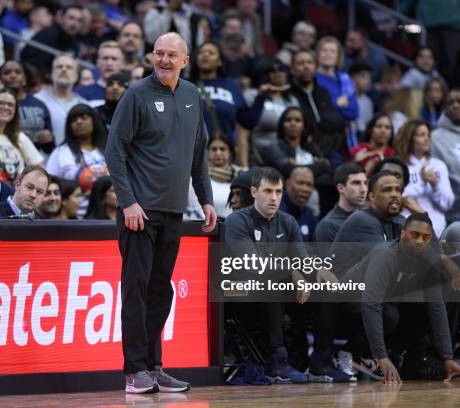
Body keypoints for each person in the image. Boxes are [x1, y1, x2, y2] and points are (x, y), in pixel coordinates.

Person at [105, 32, 215, 394]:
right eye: (159, 53)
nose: (164, 60)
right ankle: (134, 371)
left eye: (172, 55)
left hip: (173, 212)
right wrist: (127, 202)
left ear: (186, 61)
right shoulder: (137, 94)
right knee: (135, 290)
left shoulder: (191, 95)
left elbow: (198, 154)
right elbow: (115, 152)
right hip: (139, 212)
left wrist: (206, 200)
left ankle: (155, 366)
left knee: (160, 292)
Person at [340, 213, 460, 383]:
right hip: (343, 307)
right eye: (415, 235)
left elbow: (436, 307)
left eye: (426, 237)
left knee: (422, 314)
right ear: (403, 233)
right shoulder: (385, 254)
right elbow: (371, 304)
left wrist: (448, 357)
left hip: (377, 310)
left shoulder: (428, 260)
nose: (420, 241)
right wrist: (381, 356)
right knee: (389, 314)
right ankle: (352, 353)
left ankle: (382, 355)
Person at [224, 166, 310, 383]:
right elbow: (254, 267)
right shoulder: (237, 221)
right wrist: (291, 271)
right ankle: (276, 360)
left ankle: (321, 358)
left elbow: (303, 262)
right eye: (268, 191)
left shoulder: (288, 222)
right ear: (253, 192)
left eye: (278, 192)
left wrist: (305, 274)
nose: (274, 197)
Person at [188, 41, 250, 167]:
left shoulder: (231, 85)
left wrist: (243, 165)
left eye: (211, 53)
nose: (205, 55)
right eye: (201, 53)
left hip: (223, 155)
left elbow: (243, 127)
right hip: (190, 156)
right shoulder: (184, 85)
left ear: (220, 61)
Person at [46, 103, 108, 218]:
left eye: (84, 117)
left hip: (109, 218)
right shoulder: (60, 153)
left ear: (94, 121)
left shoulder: (109, 150)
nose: (79, 122)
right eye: (73, 120)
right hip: (75, 220)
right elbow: (49, 184)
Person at [288, 50, 347, 168]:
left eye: (310, 62)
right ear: (292, 69)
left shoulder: (323, 93)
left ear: (315, 67)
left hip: (331, 148)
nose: (306, 66)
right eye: (301, 63)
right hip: (303, 150)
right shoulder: (289, 95)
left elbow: (338, 121)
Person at [395, 120, 454, 237]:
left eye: (428, 135)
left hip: (438, 232)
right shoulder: (398, 165)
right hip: (408, 231)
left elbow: (447, 203)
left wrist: (435, 185)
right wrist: (421, 183)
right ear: (410, 138)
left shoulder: (438, 165)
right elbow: (399, 198)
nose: (427, 139)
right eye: (421, 135)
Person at [244, 58, 298, 167]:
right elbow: (244, 127)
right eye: (273, 71)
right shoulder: (252, 95)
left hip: (289, 154)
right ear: (264, 73)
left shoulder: (292, 100)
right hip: (260, 155)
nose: (279, 74)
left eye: (282, 70)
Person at [0, 88, 44, 185]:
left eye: (10, 105)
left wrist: (26, 180)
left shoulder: (20, 137)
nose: (5, 107)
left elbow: (40, 168)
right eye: (0, 103)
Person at [0, 60, 54, 155]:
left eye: (18, 72)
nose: (13, 75)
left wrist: (48, 138)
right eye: (7, 72)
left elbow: (50, 147)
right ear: (0, 80)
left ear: (25, 79)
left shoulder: (39, 104)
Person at [315, 36, 359, 151]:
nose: (328, 54)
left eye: (332, 51)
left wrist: (334, 103)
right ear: (318, 54)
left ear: (338, 56)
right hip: (323, 134)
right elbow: (323, 107)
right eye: (324, 50)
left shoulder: (345, 79)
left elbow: (353, 112)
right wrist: (339, 103)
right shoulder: (313, 79)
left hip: (344, 136)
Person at [35, 54, 86, 147]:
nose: (64, 69)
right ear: (51, 73)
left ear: (76, 76)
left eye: (69, 67)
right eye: (59, 67)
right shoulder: (37, 101)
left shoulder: (84, 105)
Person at [20, 4, 83, 77]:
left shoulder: (76, 44)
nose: (75, 23)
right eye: (71, 18)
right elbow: (29, 59)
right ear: (61, 18)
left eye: (79, 21)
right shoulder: (49, 34)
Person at [314, 163, 367, 244]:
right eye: (356, 183)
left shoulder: (370, 217)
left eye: (365, 183)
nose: (363, 189)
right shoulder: (328, 226)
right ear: (341, 188)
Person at [431, 88, 460, 224]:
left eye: (459, 101)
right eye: (451, 102)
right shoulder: (435, 138)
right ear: (445, 108)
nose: (455, 105)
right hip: (452, 212)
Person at [75, 41, 125, 108]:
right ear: (97, 62)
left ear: (122, 63)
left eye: (114, 59)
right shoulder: (82, 92)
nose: (109, 63)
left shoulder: (130, 93)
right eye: (105, 58)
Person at [280, 166, 318, 242]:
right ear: (288, 184)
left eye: (309, 185)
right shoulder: (275, 211)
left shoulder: (309, 214)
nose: (305, 189)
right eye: (300, 183)